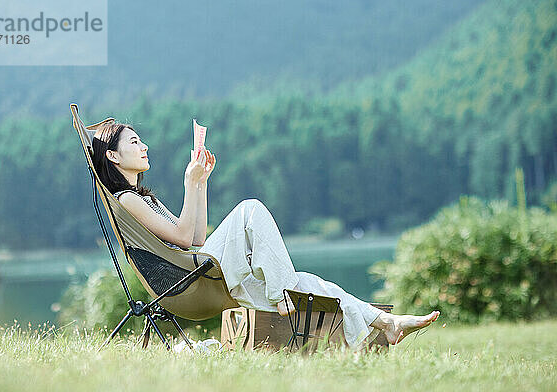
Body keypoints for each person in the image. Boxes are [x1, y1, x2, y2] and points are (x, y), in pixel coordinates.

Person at [91, 122, 440, 350]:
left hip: (197, 272)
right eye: (134, 142)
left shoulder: (144, 199)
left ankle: (387, 324)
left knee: (303, 280)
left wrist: (200, 183)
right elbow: (184, 239)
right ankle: (282, 293)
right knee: (250, 209)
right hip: (188, 284)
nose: (144, 146)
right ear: (112, 155)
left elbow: (196, 235)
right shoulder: (127, 199)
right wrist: (188, 182)